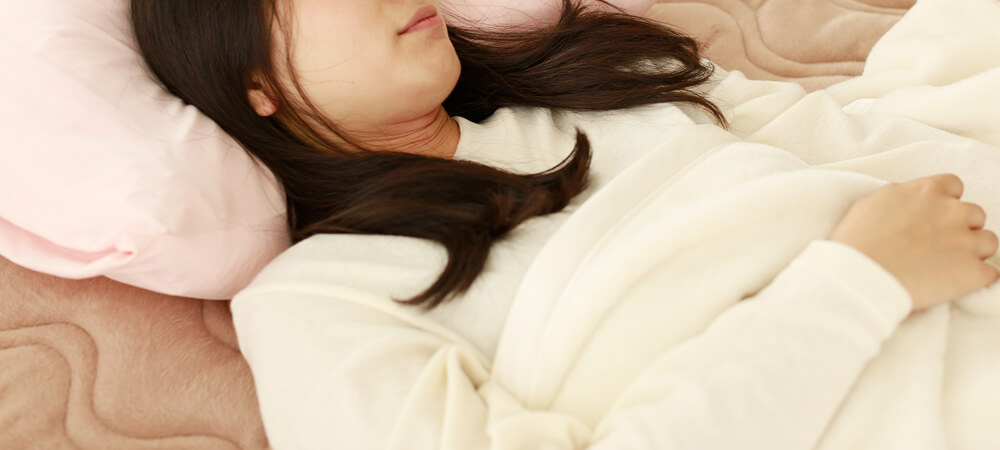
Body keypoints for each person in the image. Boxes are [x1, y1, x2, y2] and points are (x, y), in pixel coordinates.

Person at [130, 0, 1000, 448]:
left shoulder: (610, 79)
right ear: (253, 82)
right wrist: (853, 287)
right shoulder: (316, 299)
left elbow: (881, 157)